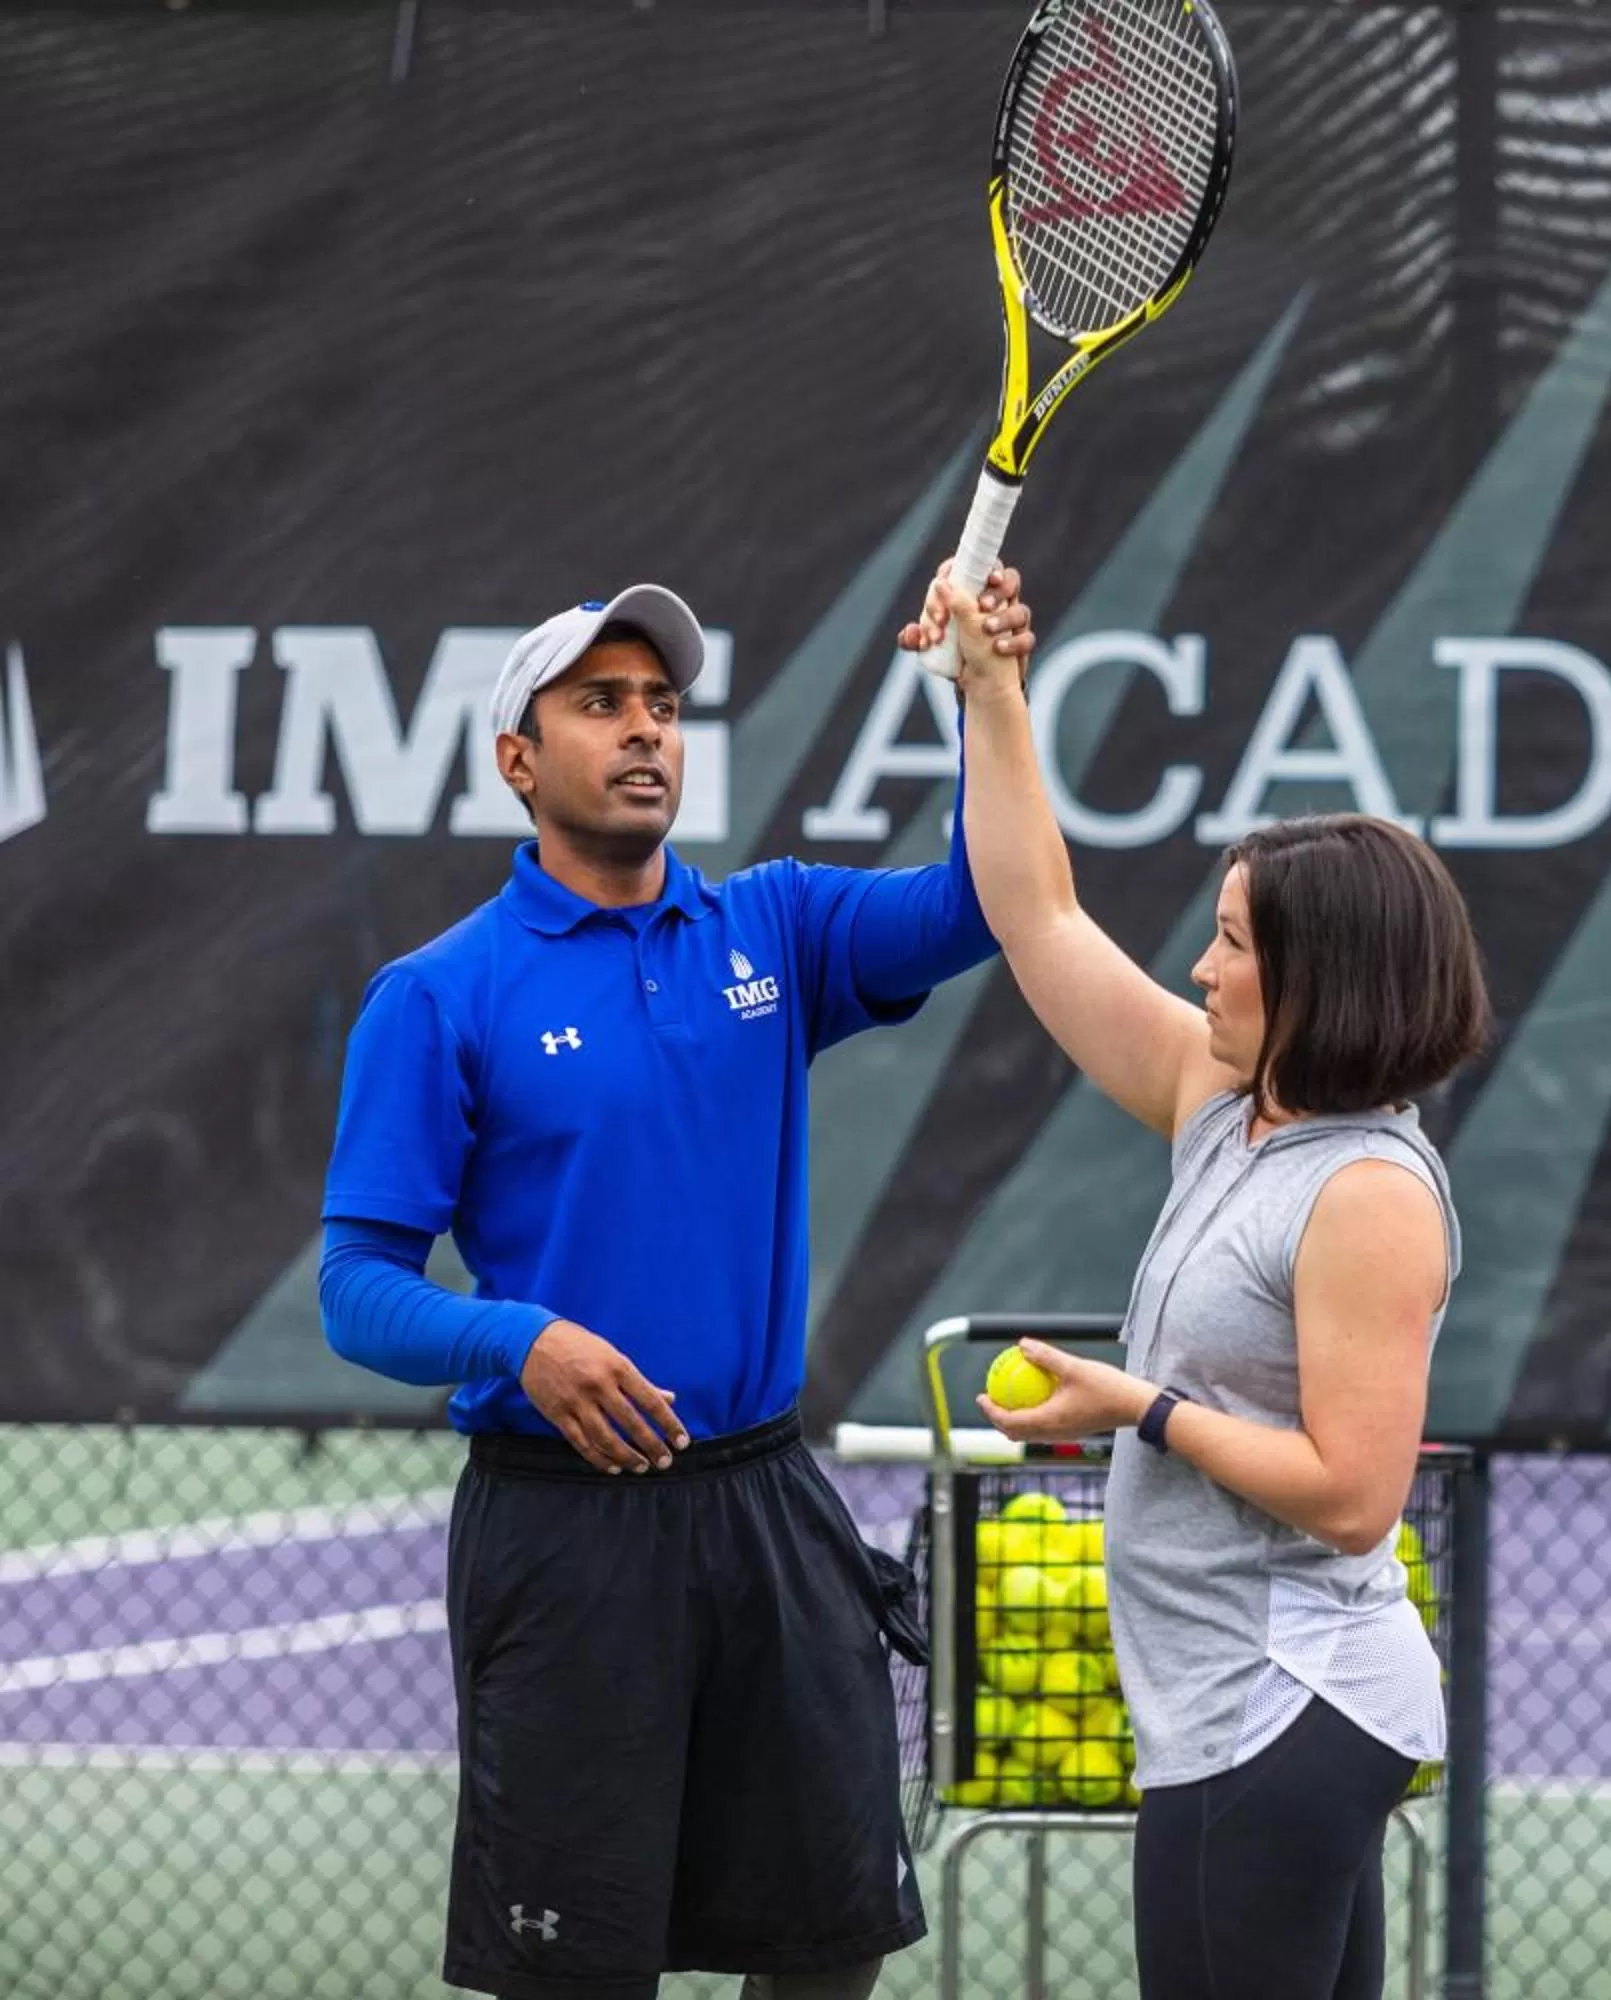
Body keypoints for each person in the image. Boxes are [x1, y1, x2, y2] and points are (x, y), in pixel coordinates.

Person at [316, 580, 1034, 2000]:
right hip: (564, 1536)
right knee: (574, 1976)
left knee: (830, 1954)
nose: (645, 730)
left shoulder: (773, 927)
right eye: (601, 704)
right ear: (518, 759)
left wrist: (986, 699)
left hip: (768, 1510)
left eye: (664, 705)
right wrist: (519, 1341)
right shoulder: (439, 994)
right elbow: (355, 1288)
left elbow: (986, 902)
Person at [905, 562, 1489, 2000]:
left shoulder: (1367, 1193)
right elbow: (1038, 915)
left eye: (1232, 945)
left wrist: (1140, 1409)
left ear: (1322, 981)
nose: (1201, 967)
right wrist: (994, 695)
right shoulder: (1225, 1097)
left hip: (1278, 1713)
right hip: (1240, 1708)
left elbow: (1355, 1494)